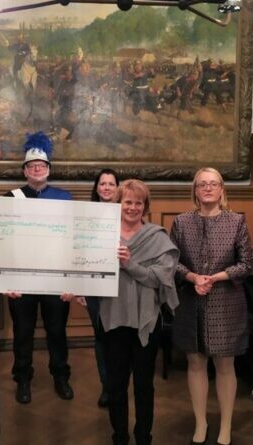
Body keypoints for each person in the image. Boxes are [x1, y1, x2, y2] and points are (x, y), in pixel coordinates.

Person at [82, 179, 179, 445]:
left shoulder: (157, 237)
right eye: (128, 202)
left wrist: (129, 264)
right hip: (112, 318)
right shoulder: (102, 234)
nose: (133, 207)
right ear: (118, 204)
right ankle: (120, 436)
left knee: (144, 386)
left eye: (139, 203)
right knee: (115, 385)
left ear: (145, 207)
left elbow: (160, 278)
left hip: (146, 322)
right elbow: (86, 265)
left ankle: (143, 437)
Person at [169, 167, 253, 445]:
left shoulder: (236, 221)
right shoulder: (181, 222)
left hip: (226, 300)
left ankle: (226, 425)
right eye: (202, 184)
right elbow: (172, 261)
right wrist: (193, 277)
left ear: (221, 190)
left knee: (225, 363)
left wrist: (215, 277)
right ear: (195, 190)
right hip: (191, 300)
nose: (207, 188)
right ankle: (201, 422)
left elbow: (246, 263)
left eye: (213, 184)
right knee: (195, 361)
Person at [4, 132, 75, 404]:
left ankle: (61, 376)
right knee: (23, 332)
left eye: (42, 166)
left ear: (48, 169)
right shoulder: (10, 198)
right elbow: (2, 241)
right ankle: (22, 379)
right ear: (24, 170)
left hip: (55, 278)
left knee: (57, 331)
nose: (37, 170)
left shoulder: (63, 197)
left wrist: (71, 281)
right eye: (32, 166)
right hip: (21, 278)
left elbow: (70, 241)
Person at [86, 168, 120, 407]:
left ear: (117, 187)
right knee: (101, 336)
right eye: (102, 184)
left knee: (118, 338)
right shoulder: (85, 215)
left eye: (111, 183)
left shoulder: (128, 212)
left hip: (122, 285)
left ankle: (119, 385)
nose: (106, 187)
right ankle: (107, 386)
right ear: (96, 188)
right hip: (94, 286)